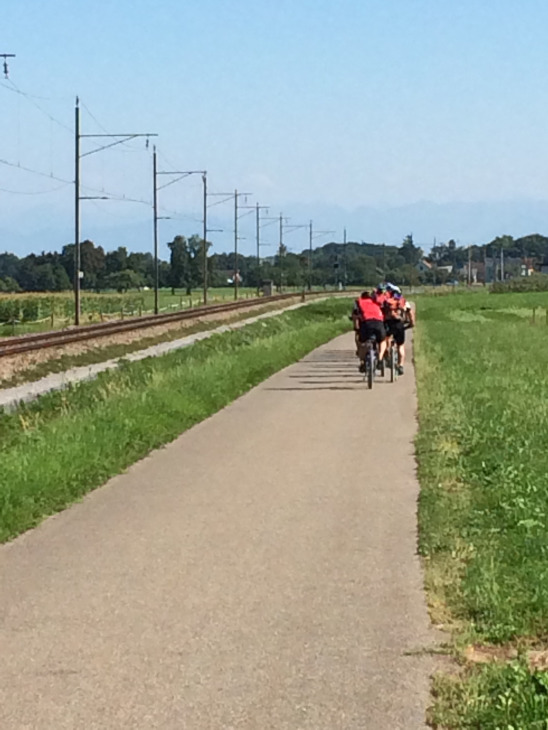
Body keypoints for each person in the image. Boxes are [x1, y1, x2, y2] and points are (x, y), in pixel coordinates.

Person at [382, 290, 415, 375]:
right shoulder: (403, 301)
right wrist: (411, 324)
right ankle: (400, 365)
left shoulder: (386, 301)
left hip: (388, 323)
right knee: (400, 345)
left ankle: (388, 354)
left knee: (386, 339)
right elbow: (410, 313)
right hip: (399, 324)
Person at [356, 290, 387, 372]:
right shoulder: (377, 302)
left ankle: (362, 363)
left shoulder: (360, 302)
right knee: (382, 340)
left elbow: (356, 314)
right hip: (378, 323)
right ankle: (380, 359)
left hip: (367, 323)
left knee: (362, 343)